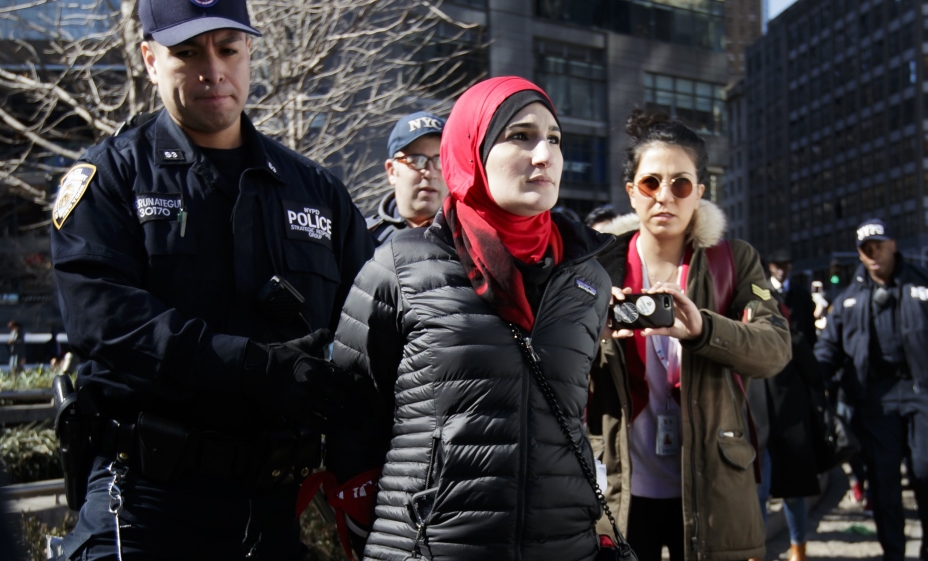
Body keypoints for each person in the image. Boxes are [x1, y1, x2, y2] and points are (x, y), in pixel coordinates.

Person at [49, 0, 374, 558]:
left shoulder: (317, 192)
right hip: (146, 501)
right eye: (187, 52)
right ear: (151, 60)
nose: (213, 70)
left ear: (250, 54)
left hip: (276, 509)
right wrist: (254, 367)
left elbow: (370, 339)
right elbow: (106, 324)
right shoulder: (110, 179)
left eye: (228, 49)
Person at [332, 76, 615, 560]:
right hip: (429, 549)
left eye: (554, 139)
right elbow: (350, 411)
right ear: (470, 150)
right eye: (520, 135)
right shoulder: (400, 265)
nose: (544, 154)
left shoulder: (588, 280)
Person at [588, 110, 792, 561]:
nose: (665, 196)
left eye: (680, 184)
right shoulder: (597, 267)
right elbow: (550, 368)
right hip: (620, 487)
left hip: (711, 487)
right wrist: (590, 333)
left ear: (699, 193)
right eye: (650, 183)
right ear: (631, 193)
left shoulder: (735, 261)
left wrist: (703, 330)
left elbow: (775, 347)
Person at [815, 219, 928, 561]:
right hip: (874, 399)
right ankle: (893, 552)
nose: (873, 253)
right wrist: (808, 383)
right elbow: (826, 353)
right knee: (883, 480)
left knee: (926, 469)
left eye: (878, 245)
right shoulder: (848, 300)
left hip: (924, 391)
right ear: (860, 255)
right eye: (866, 249)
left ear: (893, 244)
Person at [750, 250, 826, 561]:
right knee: (759, 490)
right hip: (759, 416)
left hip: (791, 415)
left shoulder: (795, 328)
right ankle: (757, 552)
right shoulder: (749, 323)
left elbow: (814, 374)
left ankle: (798, 548)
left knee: (793, 491)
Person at [367, 111, 448, 245]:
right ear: (392, 172)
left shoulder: (470, 239)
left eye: (440, 160)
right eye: (416, 160)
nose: (429, 173)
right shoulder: (364, 239)